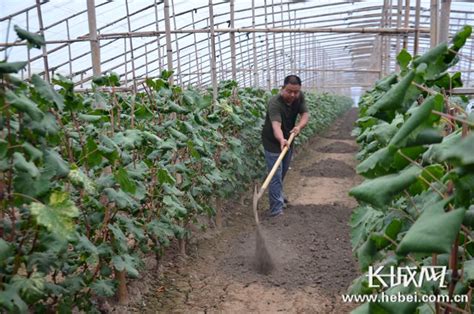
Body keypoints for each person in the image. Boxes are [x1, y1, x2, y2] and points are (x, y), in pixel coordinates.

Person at [261, 75, 309, 217]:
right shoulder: (275, 103)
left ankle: (278, 192)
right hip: (273, 141)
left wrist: (299, 127)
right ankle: (276, 210)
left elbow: (305, 114)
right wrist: (281, 139)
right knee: (275, 174)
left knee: (282, 170)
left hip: (289, 138)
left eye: (296, 92)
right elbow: (276, 126)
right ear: (283, 88)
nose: (293, 95)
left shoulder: (299, 97)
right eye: (289, 91)